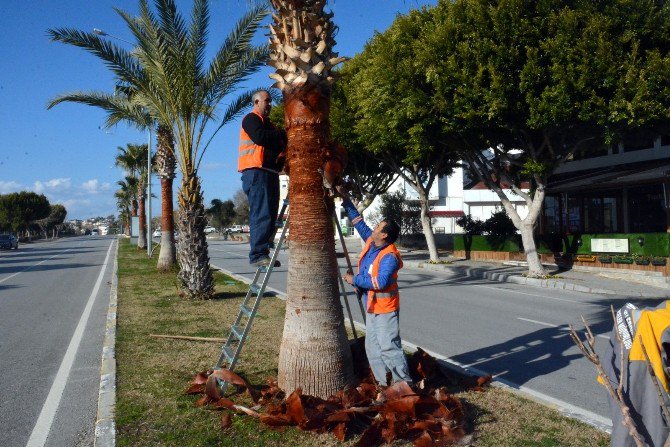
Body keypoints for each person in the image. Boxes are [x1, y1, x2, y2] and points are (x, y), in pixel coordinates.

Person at [337, 185, 413, 388]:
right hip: (371, 306)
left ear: (385, 235)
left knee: (389, 346)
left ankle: (403, 384)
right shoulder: (372, 243)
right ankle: (382, 383)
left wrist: (355, 281)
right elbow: (358, 222)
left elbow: (380, 282)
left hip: (385, 309)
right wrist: (345, 199)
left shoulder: (389, 256)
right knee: (372, 347)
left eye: (378, 227)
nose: (374, 229)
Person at [238, 90, 286, 267]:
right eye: (267, 101)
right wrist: (281, 134)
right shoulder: (251, 119)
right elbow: (259, 137)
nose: (270, 104)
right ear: (257, 102)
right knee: (261, 213)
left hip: (270, 173)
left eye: (271, 101)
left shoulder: (270, 125)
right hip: (256, 172)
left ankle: (264, 250)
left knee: (271, 214)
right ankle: (257, 255)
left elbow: (281, 142)